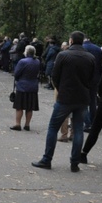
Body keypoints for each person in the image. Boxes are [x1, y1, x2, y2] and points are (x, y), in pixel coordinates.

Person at [31, 31, 95, 172]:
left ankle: (47, 159)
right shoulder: (90, 57)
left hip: (65, 97)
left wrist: (60, 89)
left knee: (53, 127)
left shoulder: (63, 55)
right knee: (78, 129)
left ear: (71, 41)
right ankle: (74, 163)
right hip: (82, 97)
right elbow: (92, 78)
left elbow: (55, 75)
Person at [10, 45, 40, 132]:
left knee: (19, 106)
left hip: (22, 85)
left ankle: (17, 124)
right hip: (33, 86)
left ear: (26, 52)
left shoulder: (22, 61)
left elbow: (16, 74)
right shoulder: (37, 61)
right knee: (29, 107)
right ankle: (27, 124)